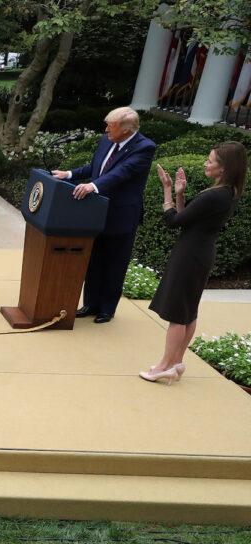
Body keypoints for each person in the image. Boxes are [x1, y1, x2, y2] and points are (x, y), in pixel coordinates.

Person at [140, 143, 246, 384]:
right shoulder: (228, 193)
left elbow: (174, 221)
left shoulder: (213, 195)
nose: (206, 164)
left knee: (178, 314)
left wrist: (167, 190)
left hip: (190, 256)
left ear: (224, 168)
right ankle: (176, 362)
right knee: (188, 312)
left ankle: (164, 366)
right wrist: (180, 194)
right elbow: (188, 220)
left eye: (210, 161)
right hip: (199, 253)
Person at [51, 106, 156, 323]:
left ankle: (107, 309)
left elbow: (121, 173)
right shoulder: (107, 139)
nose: (106, 128)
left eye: (111, 125)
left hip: (121, 215)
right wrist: (69, 174)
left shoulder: (144, 148)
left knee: (114, 263)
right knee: (94, 259)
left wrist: (93, 187)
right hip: (94, 212)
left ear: (126, 130)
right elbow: (96, 167)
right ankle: (90, 303)